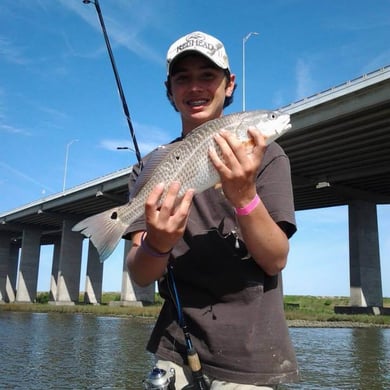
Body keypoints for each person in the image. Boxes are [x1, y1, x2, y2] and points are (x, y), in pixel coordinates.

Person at [126, 31, 299, 389]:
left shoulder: (269, 157)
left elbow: (275, 259)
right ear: (169, 90)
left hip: (251, 355)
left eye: (207, 75)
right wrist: (157, 243)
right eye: (182, 78)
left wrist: (244, 196)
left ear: (229, 84)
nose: (195, 87)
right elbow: (141, 275)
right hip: (175, 347)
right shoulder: (150, 170)